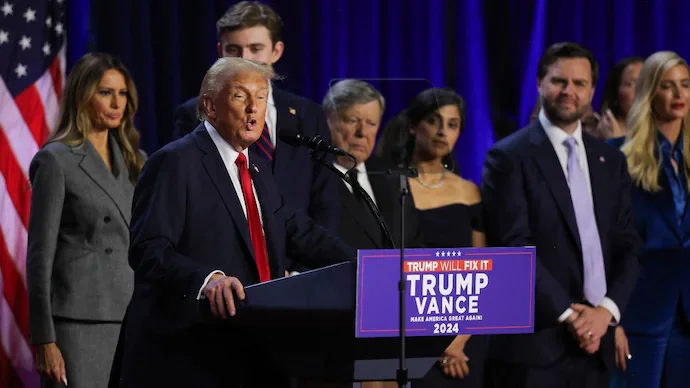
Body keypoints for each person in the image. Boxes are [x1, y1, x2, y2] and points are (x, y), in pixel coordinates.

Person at [113, 57, 355, 388]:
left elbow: (299, 232)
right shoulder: (174, 162)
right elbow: (148, 249)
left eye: (262, 96)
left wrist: (365, 266)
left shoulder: (256, 167)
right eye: (241, 96)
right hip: (188, 353)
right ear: (210, 106)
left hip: (251, 346)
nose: (254, 108)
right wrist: (207, 279)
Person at [481, 42, 640, 388]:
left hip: (598, 345)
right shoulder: (508, 157)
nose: (568, 91)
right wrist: (572, 317)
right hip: (536, 348)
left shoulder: (611, 161)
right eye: (559, 81)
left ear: (592, 91)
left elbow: (627, 245)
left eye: (579, 83)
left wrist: (606, 313)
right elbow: (514, 248)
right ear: (539, 82)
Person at [26, 52, 146, 388]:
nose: (116, 103)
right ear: (83, 95)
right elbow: (39, 256)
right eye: (106, 92)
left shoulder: (137, 162)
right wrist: (44, 339)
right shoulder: (56, 160)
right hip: (78, 321)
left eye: (122, 94)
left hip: (133, 316)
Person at [173, 1, 339, 234]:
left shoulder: (308, 115)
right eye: (233, 50)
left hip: (300, 262)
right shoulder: (195, 114)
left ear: (276, 51)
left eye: (255, 48)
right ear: (220, 52)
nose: (244, 59)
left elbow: (326, 201)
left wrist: (305, 269)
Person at [376, 88, 488, 388]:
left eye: (452, 124)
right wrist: (431, 342)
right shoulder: (387, 186)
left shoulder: (470, 191)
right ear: (413, 126)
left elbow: (482, 272)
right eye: (434, 121)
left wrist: (457, 340)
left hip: (463, 339)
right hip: (405, 332)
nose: (442, 132)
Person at [610, 51, 690, 388]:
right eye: (667, 86)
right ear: (649, 93)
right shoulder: (617, 158)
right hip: (638, 316)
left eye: (685, 85)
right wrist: (612, 322)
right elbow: (605, 245)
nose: (679, 95)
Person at [323, 79, 423, 251]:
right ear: (328, 121)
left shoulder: (392, 176)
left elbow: (413, 243)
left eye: (371, 123)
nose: (362, 133)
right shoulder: (312, 176)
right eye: (353, 120)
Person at [597, 57, 644, 144]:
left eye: (646, 83)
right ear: (615, 93)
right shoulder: (598, 135)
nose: (641, 90)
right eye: (632, 84)